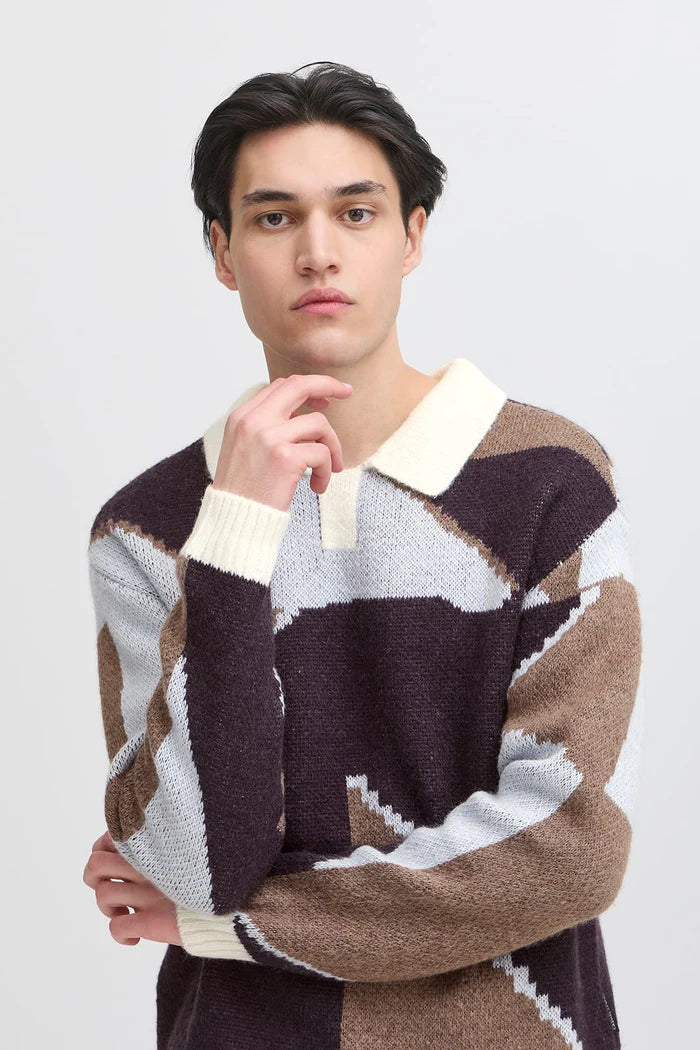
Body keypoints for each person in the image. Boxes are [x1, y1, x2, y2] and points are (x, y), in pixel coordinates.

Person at [83, 60, 643, 1049]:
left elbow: (567, 847)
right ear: (222, 251)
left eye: (355, 213)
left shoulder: (549, 486)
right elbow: (197, 860)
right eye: (272, 218)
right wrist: (234, 540)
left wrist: (234, 928)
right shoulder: (150, 530)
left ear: (411, 236)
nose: (317, 254)